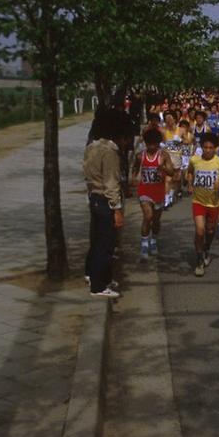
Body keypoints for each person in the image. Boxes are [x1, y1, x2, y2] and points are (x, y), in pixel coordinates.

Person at [83, 108, 131, 298]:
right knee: (106, 244)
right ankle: (99, 286)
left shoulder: (92, 146)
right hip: (105, 201)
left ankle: (92, 274)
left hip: (94, 197)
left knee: (95, 241)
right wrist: (117, 209)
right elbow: (111, 182)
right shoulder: (110, 151)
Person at [187, 132, 219, 277]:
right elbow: (189, 173)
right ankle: (199, 260)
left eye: (211, 148)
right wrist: (189, 183)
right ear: (202, 147)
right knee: (200, 230)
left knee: (210, 231)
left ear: (215, 148)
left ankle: (206, 249)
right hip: (198, 201)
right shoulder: (195, 160)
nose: (207, 150)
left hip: (213, 203)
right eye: (205, 147)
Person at [131, 128, 174, 261]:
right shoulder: (140, 156)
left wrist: (163, 168)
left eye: (154, 144)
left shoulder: (163, 155)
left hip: (158, 191)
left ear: (158, 143)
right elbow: (135, 168)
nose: (151, 147)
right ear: (146, 143)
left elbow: (172, 172)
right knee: (148, 216)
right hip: (145, 190)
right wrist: (133, 178)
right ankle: (144, 244)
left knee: (156, 220)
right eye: (149, 144)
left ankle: (154, 240)